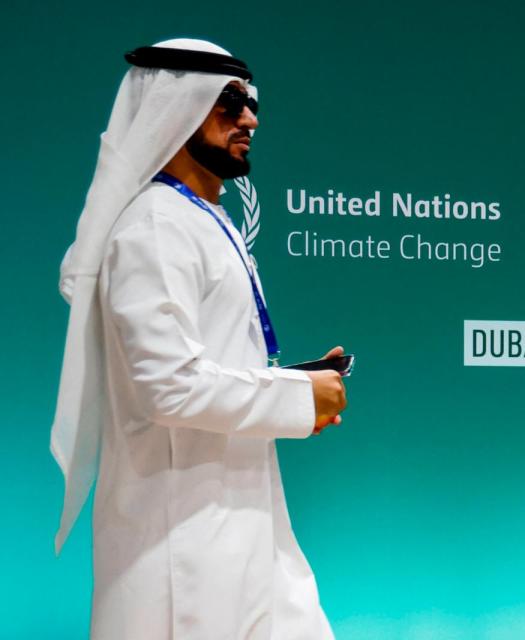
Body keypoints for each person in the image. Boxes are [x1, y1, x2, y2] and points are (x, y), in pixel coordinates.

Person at [51, 38, 345, 639]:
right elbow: (167, 386)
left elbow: (205, 359)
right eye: (228, 103)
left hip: (242, 523)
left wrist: (299, 383)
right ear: (174, 109)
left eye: (251, 103)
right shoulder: (155, 227)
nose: (250, 119)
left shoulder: (201, 218)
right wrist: (294, 398)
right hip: (179, 545)